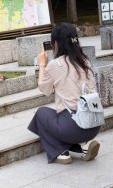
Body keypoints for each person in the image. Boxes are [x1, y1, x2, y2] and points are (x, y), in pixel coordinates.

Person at [27, 22, 101, 164]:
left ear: (56, 44)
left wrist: (42, 64)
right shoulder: (84, 60)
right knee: (58, 118)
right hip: (93, 124)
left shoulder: (55, 64)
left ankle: (61, 152)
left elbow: (44, 89)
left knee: (41, 114)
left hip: (73, 126)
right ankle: (83, 146)